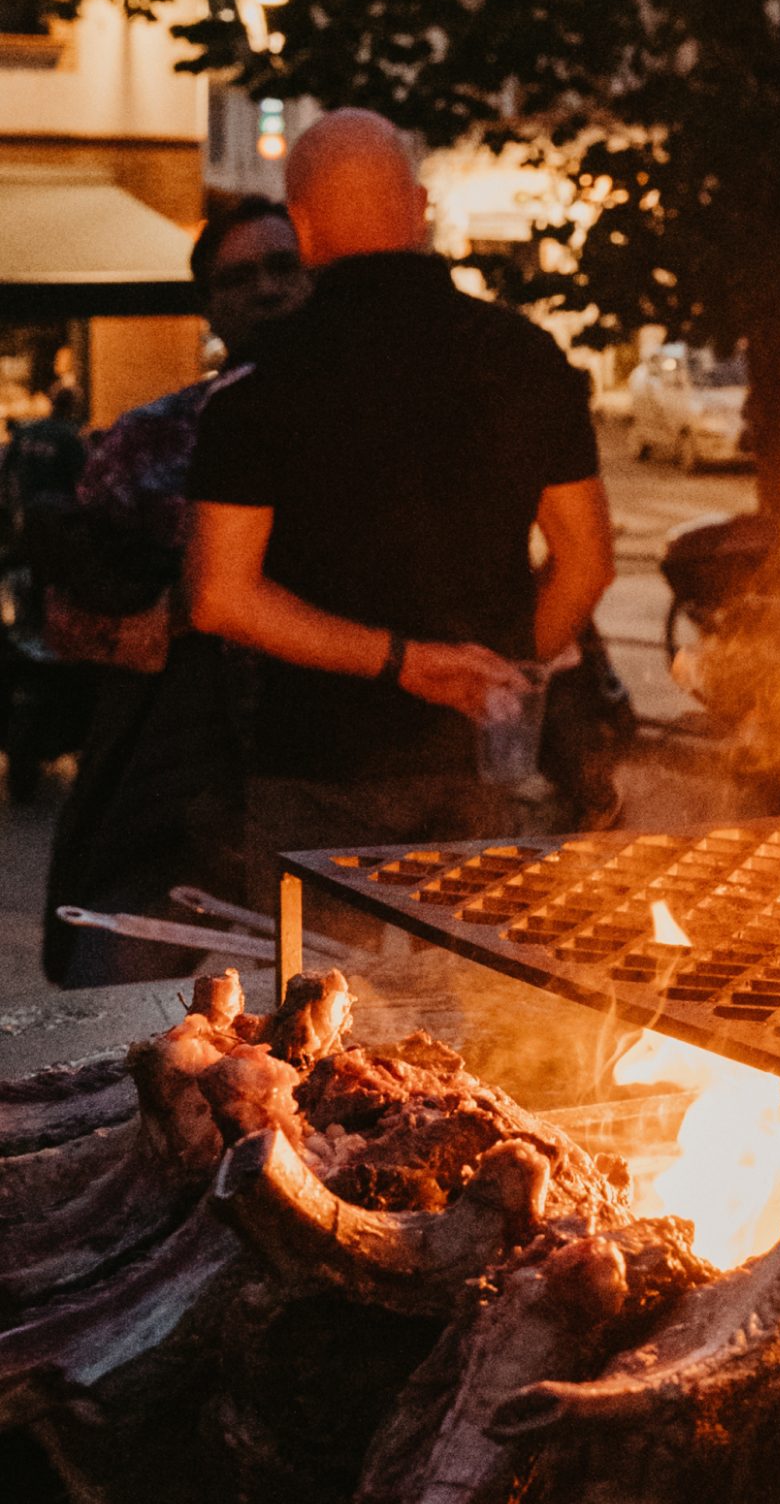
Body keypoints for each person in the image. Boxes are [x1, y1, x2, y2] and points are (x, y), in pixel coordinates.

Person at [186, 110, 616, 904]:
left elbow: (220, 597)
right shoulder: (525, 358)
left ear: (304, 228)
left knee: (315, 1010)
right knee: (470, 1008)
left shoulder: (258, 384)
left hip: (315, 767)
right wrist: (502, 679)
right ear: (419, 210)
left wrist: (403, 664)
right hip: (474, 769)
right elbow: (587, 561)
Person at [39, 196, 310, 981]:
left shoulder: (367, 431)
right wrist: (182, 613)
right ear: (209, 304)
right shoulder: (150, 438)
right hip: (175, 798)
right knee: (124, 1026)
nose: (264, 290)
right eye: (238, 277)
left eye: (283, 267)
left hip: (333, 785)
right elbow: (64, 622)